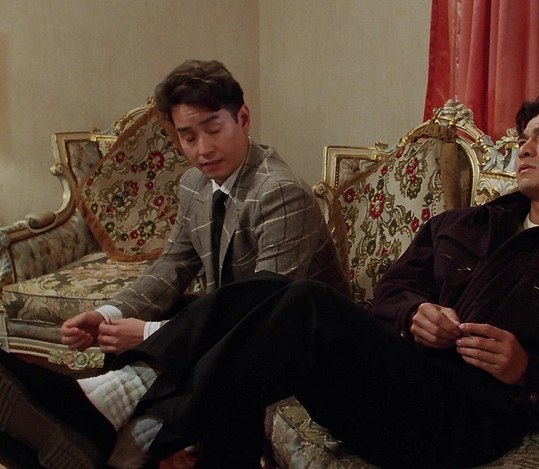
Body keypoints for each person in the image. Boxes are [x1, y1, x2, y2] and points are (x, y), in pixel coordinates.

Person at [0, 90, 539, 469]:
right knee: (268, 297)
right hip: (392, 377)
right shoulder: (464, 225)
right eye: (520, 137)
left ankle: (113, 413)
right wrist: (412, 314)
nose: (522, 150)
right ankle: (117, 418)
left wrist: (528, 370)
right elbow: (390, 295)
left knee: (303, 304)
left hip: (459, 422)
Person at [61, 59, 346, 354]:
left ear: (243, 118)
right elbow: (172, 266)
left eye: (214, 130)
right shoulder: (193, 183)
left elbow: (267, 308)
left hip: (304, 343)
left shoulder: (281, 193)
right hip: (239, 332)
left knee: (156, 346)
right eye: (188, 137)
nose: (203, 150)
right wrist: (108, 314)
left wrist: (151, 333)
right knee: (131, 342)